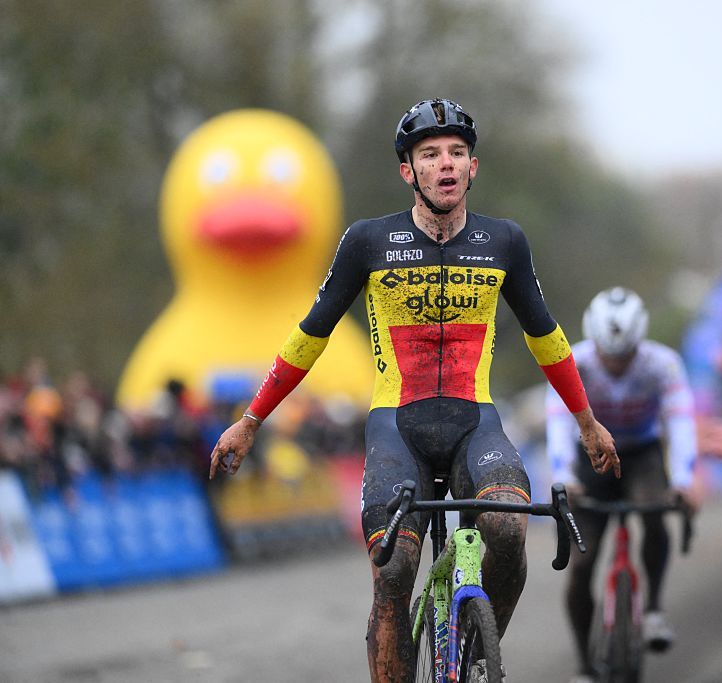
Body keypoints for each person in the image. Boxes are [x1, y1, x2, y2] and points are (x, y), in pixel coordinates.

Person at [206, 98, 620, 682]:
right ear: (409, 171)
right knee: (395, 570)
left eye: (457, 153)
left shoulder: (504, 241)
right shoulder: (368, 242)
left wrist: (586, 421)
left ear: (473, 167)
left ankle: (477, 652)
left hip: (476, 422)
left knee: (507, 526)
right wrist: (250, 420)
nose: (446, 164)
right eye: (431, 155)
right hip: (396, 424)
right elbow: (310, 337)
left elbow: (546, 337)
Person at [546, 287, 698, 683]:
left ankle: (653, 612)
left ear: (639, 341)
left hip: (642, 454)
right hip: (591, 458)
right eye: (608, 355)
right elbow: (558, 422)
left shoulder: (663, 364)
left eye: (625, 356)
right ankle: (584, 664)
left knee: (654, 511)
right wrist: (564, 476)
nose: (615, 365)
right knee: (582, 563)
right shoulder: (574, 362)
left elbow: (681, 422)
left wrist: (682, 480)